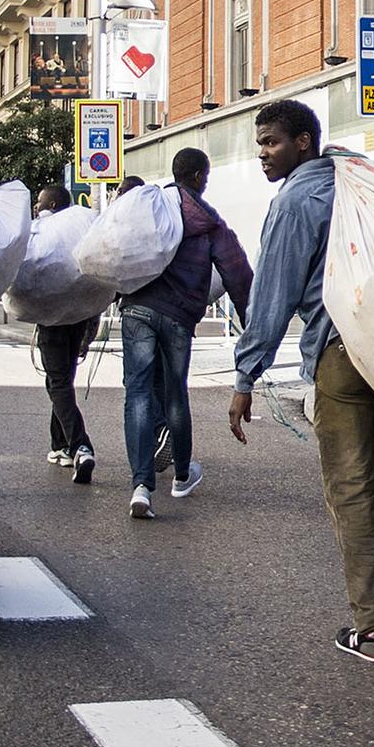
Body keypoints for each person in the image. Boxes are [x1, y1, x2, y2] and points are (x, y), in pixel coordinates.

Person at [231, 101, 374, 664]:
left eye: (270, 142)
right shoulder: (360, 184)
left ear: (303, 141)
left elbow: (273, 292)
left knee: (350, 485)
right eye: (260, 143)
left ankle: (372, 628)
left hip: (340, 355)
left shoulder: (296, 199)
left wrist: (247, 373)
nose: (262, 153)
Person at [122, 149, 253, 520]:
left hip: (137, 309)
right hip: (178, 316)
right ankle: (181, 476)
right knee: (175, 392)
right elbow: (238, 277)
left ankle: (141, 486)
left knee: (138, 393)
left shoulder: (150, 208)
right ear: (198, 177)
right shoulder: (210, 225)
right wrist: (253, 328)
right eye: (206, 178)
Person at [32, 184, 98, 484]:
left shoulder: (48, 232)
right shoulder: (79, 229)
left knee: (58, 383)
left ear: (54, 204)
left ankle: (80, 445)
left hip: (53, 320)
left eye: (41, 201)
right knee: (61, 382)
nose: (36, 206)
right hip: (78, 318)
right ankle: (60, 446)